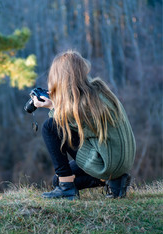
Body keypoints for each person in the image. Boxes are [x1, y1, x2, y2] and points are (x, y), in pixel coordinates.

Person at [33, 50, 136, 200]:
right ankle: (114, 181)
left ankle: (67, 189)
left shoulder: (85, 102)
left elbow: (62, 125)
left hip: (107, 162)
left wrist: (51, 108)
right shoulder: (99, 91)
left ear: (61, 78)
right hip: (120, 162)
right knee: (59, 179)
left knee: (50, 126)